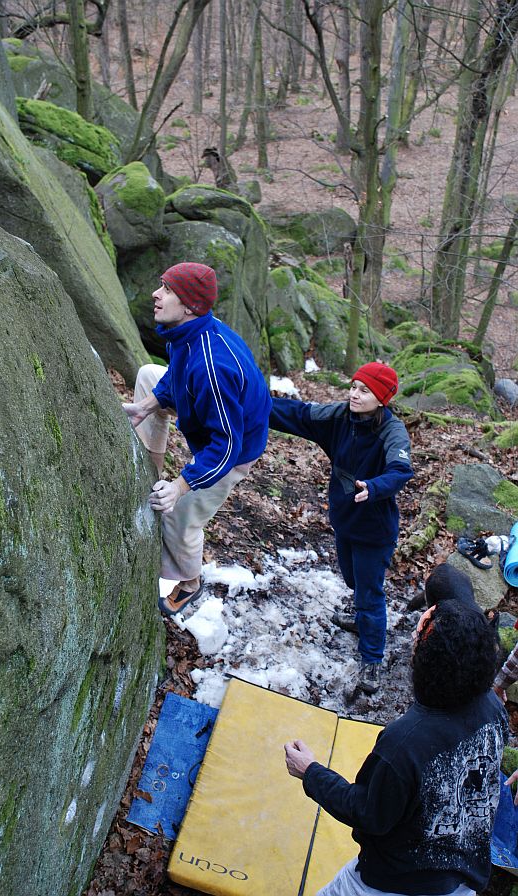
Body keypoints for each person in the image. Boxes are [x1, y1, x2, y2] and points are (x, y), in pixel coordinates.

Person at [284, 600, 508, 896]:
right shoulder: (493, 709)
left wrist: (310, 772)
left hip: (394, 883)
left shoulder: (405, 743)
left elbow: (367, 813)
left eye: (423, 634)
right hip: (462, 877)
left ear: (430, 661)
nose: (416, 637)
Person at [123, 262, 272, 616]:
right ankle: (152, 468)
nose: (156, 295)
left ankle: (190, 583)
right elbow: (176, 372)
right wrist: (147, 406)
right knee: (148, 375)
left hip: (234, 449)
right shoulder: (185, 332)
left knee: (178, 516)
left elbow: (226, 446)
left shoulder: (212, 366)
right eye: (161, 285)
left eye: (168, 290)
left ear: (189, 305)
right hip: (213, 419)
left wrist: (181, 485)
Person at [269, 362, 413, 694]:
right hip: (344, 520)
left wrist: (375, 487)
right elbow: (300, 415)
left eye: (364, 391)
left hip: (374, 532)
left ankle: (372, 659)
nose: (354, 394)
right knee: (352, 579)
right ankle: (361, 617)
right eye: (353, 387)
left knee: (369, 593)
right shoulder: (340, 417)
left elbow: (401, 469)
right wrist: (255, 405)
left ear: (381, 399)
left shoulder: (392, 432)